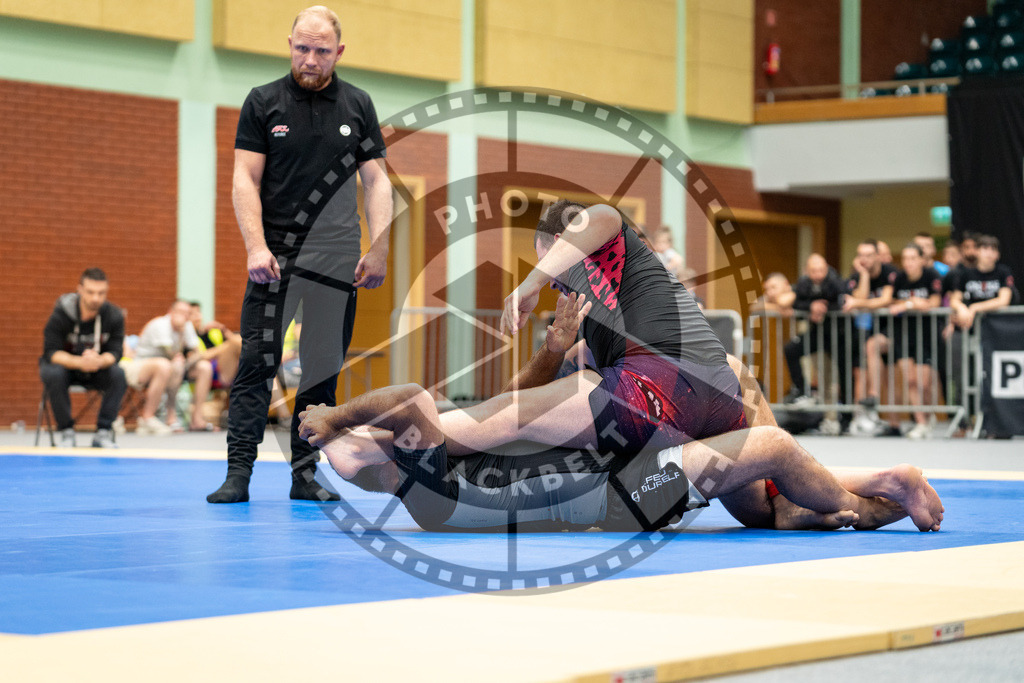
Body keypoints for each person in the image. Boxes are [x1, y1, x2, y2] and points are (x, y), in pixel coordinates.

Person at [299, 293, 943, 533]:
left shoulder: (429, 500)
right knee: (768, 454)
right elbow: (403, 400)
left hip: (624, 479)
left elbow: (494, 408)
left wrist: (339, 432)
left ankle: (870, 492)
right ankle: (874, 495)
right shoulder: (427, 478)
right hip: (628, 494)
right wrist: (331, 420)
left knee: (764, 486)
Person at [208, 5, 393, 504]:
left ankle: (306, 476)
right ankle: (238, 474)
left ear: (339, 52)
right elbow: (244, 178)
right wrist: (254, 246)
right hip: (277, 257)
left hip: (337, 260)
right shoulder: (263, 101)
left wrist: (379, 248)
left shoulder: (358, 104)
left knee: (321, 368)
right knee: (256, 363)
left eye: (321, 51)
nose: (310, 59)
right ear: (289, 43)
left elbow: (376, 181)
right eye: (301, 48)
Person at [39, 268, 126, 448]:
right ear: (79, 289)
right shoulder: (61, 314)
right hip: (66, 367)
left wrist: (99, 361)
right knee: (54, 374)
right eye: (90, 292)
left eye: (101, 293)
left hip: (96, 368)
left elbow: (116, 352)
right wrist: (80, 362)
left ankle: (103, 431)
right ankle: (66, 431)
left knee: (118, 375)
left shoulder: (114, 316)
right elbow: (51, 352)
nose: (96, 298)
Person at [884, 244, 943, 439]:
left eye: (912, 258)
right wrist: (910, 304)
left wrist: (910, 304)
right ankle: (921, 422)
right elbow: (891, 302)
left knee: (923, 382)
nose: (908, 262)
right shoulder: (899, 279)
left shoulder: (931, 275)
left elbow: (933, 303)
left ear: (921, 259)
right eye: (905, 258)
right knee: (910, 380)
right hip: (903, 334)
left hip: (925, 335)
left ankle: (928, 413)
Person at [135, 300, 216, 432]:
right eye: (180, 312)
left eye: (187, 313)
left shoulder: (187, 326)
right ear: (170, 312)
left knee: (204, 368)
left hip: (171, 367)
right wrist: (184, 355)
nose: (183, 316)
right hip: (145, 366)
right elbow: (171, 354)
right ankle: (170, 415)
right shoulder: (160, 325)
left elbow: (198, 352)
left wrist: (192, 358)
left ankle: (197, 419)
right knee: (175, 365)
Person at [842, 239, 897, 435]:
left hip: (892, 331)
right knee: (860, 372)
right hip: (864, 331)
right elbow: (862, 297)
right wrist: (864, 274)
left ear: (877, 256)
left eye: (868, 255)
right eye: (860, 255)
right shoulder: (858, 275)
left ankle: (875, 399)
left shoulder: (890, 272)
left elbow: (886, 299)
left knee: (874, 348)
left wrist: (858, 303)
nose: (864, 259)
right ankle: (861, 418)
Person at [782, 255, 848, 406]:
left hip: (839, 334)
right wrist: (811, 306)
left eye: (821, 271)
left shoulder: (835, 281)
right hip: (817, 333)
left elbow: (844, 302)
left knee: (844, 371)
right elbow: (797, 303)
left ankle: (846, 414)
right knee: (791, 350)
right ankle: (802, 390)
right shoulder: (804, 283)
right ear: (807, 271)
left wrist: (824, 308)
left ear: (827, 269)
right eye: (813, 271)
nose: (818, 275)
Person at [951, 235, 1015, 330]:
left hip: (999, 326)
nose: (989, 253)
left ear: (998, 254)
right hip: (973, 327)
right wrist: (961, 308)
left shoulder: (1003, 272)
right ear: (977, 251)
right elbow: (955, 299)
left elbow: (1003, 300)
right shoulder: (966, 274)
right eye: (985, 248)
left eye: (993, 249)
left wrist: (975, 307)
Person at [188, 302, 243, 389]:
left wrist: (222, 328)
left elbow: (240, 343)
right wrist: (226, 346)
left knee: (241, 340)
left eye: (198, 312)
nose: (197, 316)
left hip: (226, 365)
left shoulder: (211, 332)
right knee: (235, 342)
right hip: (212, 370)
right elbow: (200, 356)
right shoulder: (188, 338)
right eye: (192, 314)